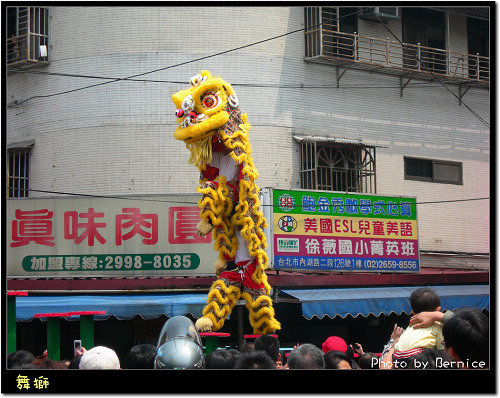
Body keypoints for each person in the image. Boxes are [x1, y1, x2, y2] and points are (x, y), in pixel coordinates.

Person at [391, 287, 445, 368]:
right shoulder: (437, 325)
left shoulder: (411, 326)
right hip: (418, 358)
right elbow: (443, 349)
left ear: (413, 312)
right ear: (438, 309)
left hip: (398, 358)